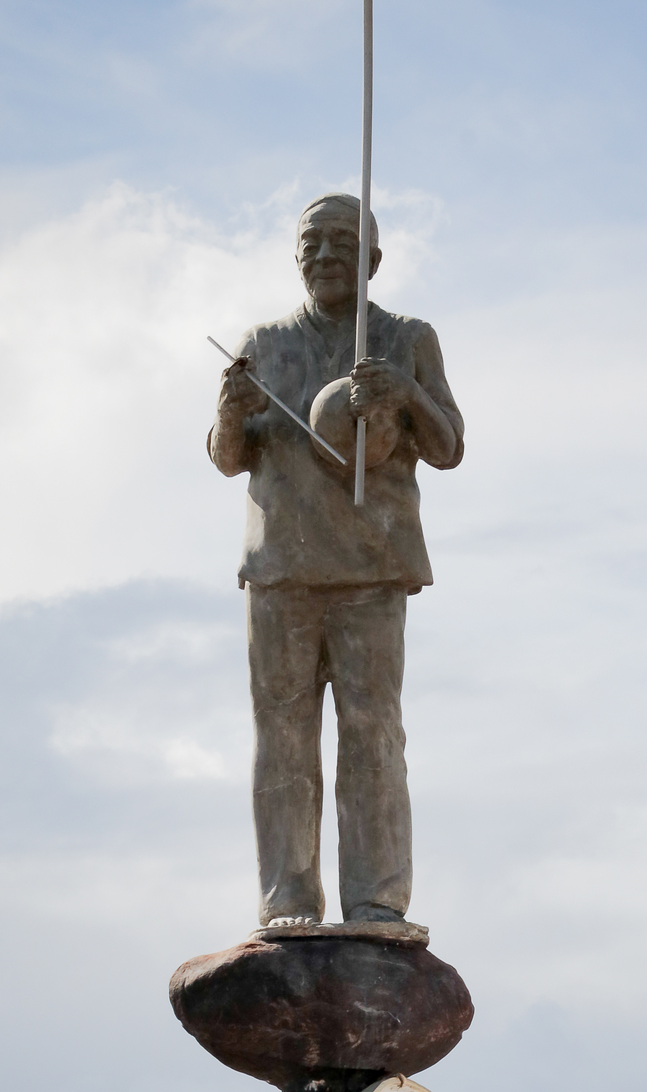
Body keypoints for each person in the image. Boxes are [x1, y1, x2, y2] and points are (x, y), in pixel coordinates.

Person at [209, 192, 464, 930]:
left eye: (342, 243)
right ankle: (286, 899)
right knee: (282, 736)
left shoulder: (406, 337)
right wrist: (229, 412)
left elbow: (449, 448)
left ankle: (378, 899)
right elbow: (229, 458)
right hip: (282, 570)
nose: (324, 257)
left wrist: (408, 393)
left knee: (373, 733)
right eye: (311, 244)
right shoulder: (266, 341)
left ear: (374, 260)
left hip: (371, 567)